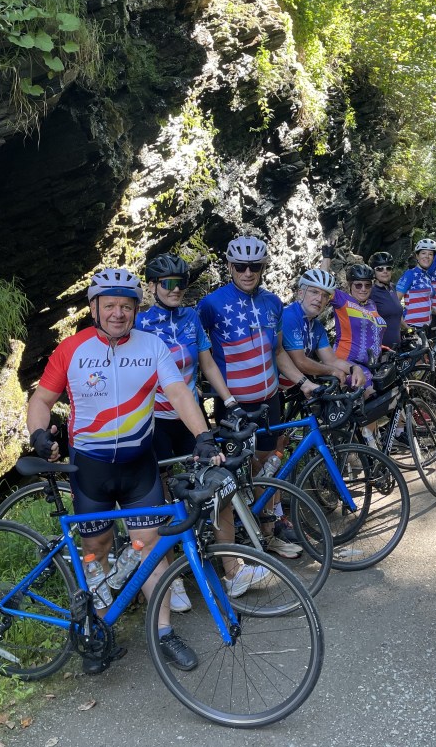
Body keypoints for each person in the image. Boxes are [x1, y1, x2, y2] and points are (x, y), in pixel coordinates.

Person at [27, 267, 212, 674]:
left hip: (138, 468)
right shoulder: (72, 349)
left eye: (126, 306)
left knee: (150, 549)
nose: (118, 313)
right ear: (94, 308)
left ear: (135, 310)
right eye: (109, 305)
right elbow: (41, 400)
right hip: (90, 468)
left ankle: (164, 633)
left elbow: (179, 392)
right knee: (97, 552)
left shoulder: (152, 346)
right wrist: (38, 433)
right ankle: (98, 630)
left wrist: (202, 435)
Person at [136, 253, 280, 605]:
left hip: (192, 419)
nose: (176, 290)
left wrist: (229, 401)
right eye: (168, 284)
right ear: (152, 286)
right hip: (155, 422)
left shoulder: (191, 318)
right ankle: (171, 581)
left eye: (182, 283)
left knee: (217, 484)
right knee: (164, 499)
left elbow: (208, 364)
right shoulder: (140, 324)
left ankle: (232, 570)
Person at [196, 235, 317, 470]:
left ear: (263, 268)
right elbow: (196, 349)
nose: (248, 273)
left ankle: (267, 496)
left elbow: (278, 352)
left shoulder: (273, 302)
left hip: (270, 401)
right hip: (233, 404)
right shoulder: (210, 304)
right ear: (230, 266)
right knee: (239, 469)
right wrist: (190, 383)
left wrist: (304, 382)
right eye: (240, 266)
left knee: (265, 461)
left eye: (255, 266)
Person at [281, 268, 366, 388]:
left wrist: (354, 368)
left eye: (325, 295)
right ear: (300, 293)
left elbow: (332, 360)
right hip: (270, 388)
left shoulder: (316, 326)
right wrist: (332, 371)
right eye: (314, 292)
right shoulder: (289, 317)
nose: (319, 299)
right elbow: (300, 362)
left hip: (292, 387)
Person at [320, 245, 386, 392]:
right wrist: (327, 257)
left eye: (367, 285)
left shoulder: (372, 305)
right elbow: (322, 284)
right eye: (358, 285)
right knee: (371, 393)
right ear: (350, 285)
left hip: (371, 365)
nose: (363, 289)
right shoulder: (343, 300)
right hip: (347, 363)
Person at [396, 239, 436, 329]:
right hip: (412, 326)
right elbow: (395, 301)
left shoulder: (427, 276)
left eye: (430, 254)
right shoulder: (410, 274)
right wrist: (405, 326)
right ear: (417, 256)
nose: (427, 256)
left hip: (426, 327)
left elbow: (424, 301)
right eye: (423, 253)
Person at [368, 251, 404, 347]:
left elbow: (395, 315)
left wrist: (409, 328)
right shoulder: (370, 292)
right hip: (379, 349)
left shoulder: (393, 287)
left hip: (396, 348)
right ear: (373, 272)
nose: (385, 271)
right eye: (380, 269)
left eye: (388, 268)